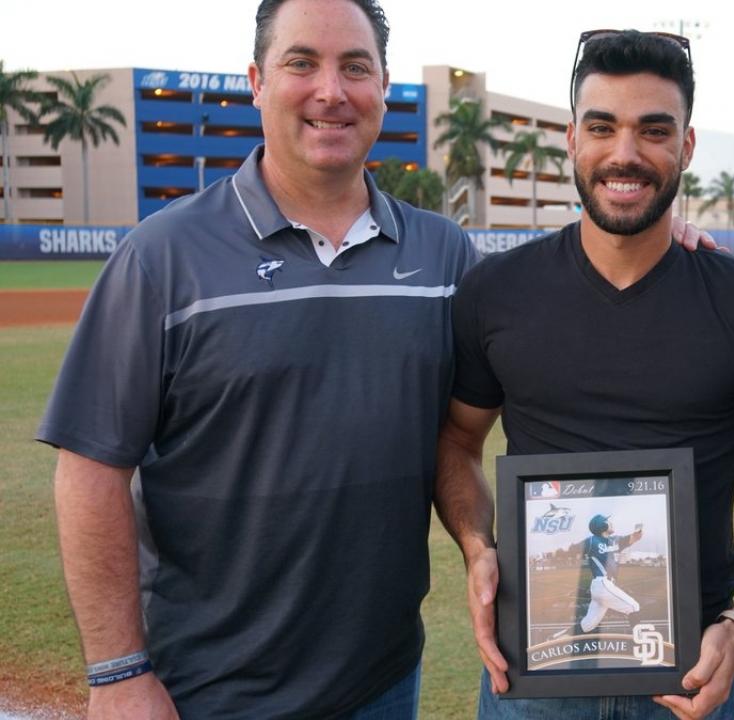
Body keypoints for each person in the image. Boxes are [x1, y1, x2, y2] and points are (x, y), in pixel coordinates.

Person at [36, 0, 479, 716]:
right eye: (302, 62)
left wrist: (655, 241)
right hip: (209, 690)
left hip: (383, 682)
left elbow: (467, 431)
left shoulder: (444, 255)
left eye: (355, 67)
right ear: (257, 82)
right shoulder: (162, 256)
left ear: (383, 85)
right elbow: (91, 469)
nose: (331, 91)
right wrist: (117, 673)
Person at [432, 30, 734, 720]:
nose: (625, 153)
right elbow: (458, 442)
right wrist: (475, 545)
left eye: (654, 130)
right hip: (533, 680)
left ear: (687, 147)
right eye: (602, 127)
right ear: (571, 140)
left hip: (691, 678)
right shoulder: (496, 293)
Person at [577, 515, 644, 635]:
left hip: (603, 587)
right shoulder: (591, 541)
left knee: (587, 625)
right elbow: (574, 549)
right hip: (602, 584)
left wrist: (638, 532)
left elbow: (634, 538)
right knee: (634, 607)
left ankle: (557, 637)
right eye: (607, 521)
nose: (611, 523)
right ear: (602, 525)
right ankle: (640, 639)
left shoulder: (614, 540)